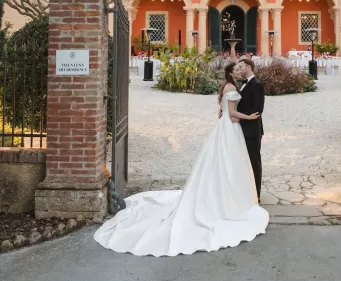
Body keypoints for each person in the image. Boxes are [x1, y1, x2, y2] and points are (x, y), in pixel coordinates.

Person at [94, 63, 269, 257]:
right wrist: (247, 117)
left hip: (229, 128)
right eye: (237, 69)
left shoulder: (228, 86)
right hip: (232, 128)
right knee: (228, 162)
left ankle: (232, 192)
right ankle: (228, 196)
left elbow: (224, 109)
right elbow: (233, 112)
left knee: (228, 162)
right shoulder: (232, 87)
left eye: (241, 68)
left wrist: (226, 114)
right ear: (230, 72)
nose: (239, 70)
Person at [236, 58, 265, 200]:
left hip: (252, 130)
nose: (239, 69)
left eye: (241, 67)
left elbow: (258, 109)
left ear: (248, 67)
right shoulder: (242, 85)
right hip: (241, 129)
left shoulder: (256, 85)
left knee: (254, 162)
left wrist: (239, 117)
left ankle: (256, 194)